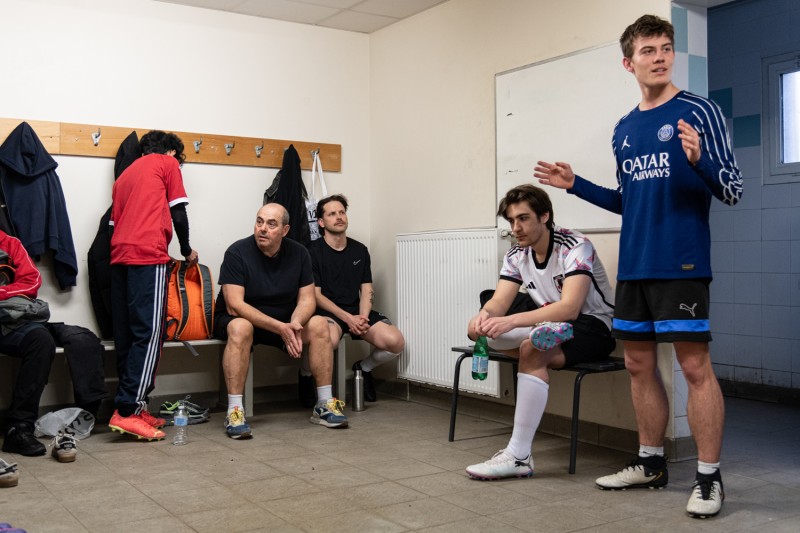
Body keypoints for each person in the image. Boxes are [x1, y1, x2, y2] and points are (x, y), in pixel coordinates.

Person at [533, 14, 742, 519]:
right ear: (629, 62)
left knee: (694, 367)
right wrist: (576, 184)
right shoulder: (625, 128)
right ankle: (650, 463)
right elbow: (631, 201)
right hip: (636, 266)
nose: (660, 57)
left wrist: (701, 161)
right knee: (637, 364)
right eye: (648, 50)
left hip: (683, 264)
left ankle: (709, 478)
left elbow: (732, 189)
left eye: (665, 48)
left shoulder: (701, 112)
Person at [465, 184, 615, 480]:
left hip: (592, 326)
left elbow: (570, 308)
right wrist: (482, 319)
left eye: (523, 219)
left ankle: (518, 456)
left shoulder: (575, 245)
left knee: (530, 344)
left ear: (544, 216)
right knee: (487, 332)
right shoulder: (516, 254)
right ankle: (537, 337)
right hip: (547, 324)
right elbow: (499, 301)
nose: (515, 227)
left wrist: (512, 322)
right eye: (510, 221)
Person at [215, 203, 348, 439]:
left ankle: (324, 404)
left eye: (271, 224)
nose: (263, 229)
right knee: (240, 326)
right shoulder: (237, 252)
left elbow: (307, 300)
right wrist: (280, 328)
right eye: (259, 222)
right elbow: (235, 304)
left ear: (285, 230)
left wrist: (294, 324)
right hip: (245, 318)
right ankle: (235, 411)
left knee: (319, 324)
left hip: (285, 320)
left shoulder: (299, 253)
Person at [108, 130, 198, 441]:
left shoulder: (123, 177)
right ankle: (128, 411)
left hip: (119, 257)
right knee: (150, 335)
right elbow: (179, 212)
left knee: (132, 334)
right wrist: (187, 251)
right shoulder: (166, 163)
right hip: (148, 255)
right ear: (172, 152)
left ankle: (136, 404)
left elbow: (114, 224)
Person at [306, 195, 405, 403]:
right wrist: (347, 318)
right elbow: (315, 295)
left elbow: (367, 289)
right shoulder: (312, 251)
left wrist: (362, 317)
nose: (339, 217)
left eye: (342, 212)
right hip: (327, 312)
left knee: (395, 342)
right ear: (322, 223)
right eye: (332, 214)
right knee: (328, 341)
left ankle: (363, 368)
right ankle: (306, 376)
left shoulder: (359, 250)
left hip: (356, 311)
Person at [0, 230, 55, 457]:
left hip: (8, 322)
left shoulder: (9, 243)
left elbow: (31, 282)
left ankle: (19, 428)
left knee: (41, 340)